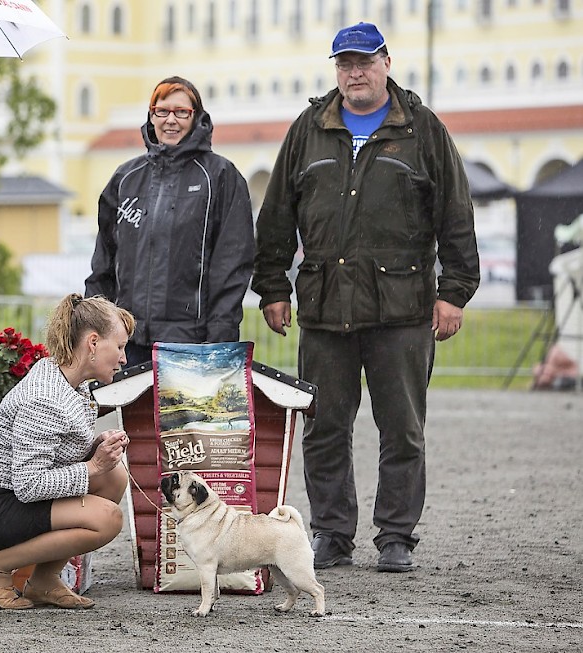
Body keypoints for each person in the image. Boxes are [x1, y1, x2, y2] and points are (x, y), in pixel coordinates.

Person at [251, 23, 480, 573]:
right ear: (337, 70)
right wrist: (274, 287)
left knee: (401, 426)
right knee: (325, 426)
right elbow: (278, 214)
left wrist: (454, 294)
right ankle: (332, 533)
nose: (354, 73)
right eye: (344, 64)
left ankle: (396, 534)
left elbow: (455, 216)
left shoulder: (422, 130)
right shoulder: (309, 128)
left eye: (364, 62)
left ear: (386, 62)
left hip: (403, 309)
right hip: (326, 308)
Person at [0, 293, 134, 610]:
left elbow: (54, 456)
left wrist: (95, 451)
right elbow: (30, 485)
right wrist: (92, 466)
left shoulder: (67, 380)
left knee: (114, 476)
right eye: (119, 347)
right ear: (93, 343)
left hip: (10, 497)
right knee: (108, 520)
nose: (124, 359)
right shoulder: (45, 397)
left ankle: (45, 581)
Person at [85, 76, 254, 366]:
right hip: (130, 342)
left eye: (181, 112)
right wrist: (96, 325)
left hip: (193, 343)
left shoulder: (220, 177)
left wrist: (220, 338)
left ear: (196, 117)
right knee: (136, 414)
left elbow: (232, 265)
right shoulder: (126, 178)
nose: (170, 120)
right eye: (161, 111)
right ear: (151, 116)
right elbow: (104, 262)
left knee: (186, 414)